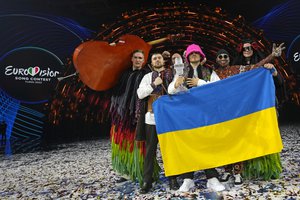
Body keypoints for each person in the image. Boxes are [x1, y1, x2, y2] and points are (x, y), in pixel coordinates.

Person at [213, 40, 285, 182]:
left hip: (253, 108)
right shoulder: (221, 72)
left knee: (254, 137)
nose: (223, 59)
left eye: (225, 56)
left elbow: (259, 69)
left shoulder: (246, 68)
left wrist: (272, 58)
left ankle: (256, 170)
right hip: (233, 111)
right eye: (220, 57)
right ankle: (233, 170)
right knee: (233, 139)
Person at [168, 44, 225, 192]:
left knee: (207, 144)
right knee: (189, 145)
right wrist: (176, 84)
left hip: (205, 114)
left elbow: (218, 89)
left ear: (201, 56)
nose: (194, 55)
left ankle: (212, 178)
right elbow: (170, 91)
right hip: (187, 115)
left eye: (196, 53)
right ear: (187, 57)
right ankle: (188, 179)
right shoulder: (181, 72)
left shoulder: (209, 71)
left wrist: (199, 83)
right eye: (191, 53)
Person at [110, 49, 150, 183]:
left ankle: (141, 171)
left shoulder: (147, 74)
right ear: (131, 59)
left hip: (138, 115)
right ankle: (125, 172)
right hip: (123, 116)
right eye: (136, 57)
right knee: (124, 143)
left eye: (140, 58)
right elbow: (116, 91)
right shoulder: (124, 74)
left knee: (139, 143)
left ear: (144, 61)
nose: (138, 60)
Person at [136, 52, 174, 193]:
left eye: (159, 57)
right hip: (151, 118)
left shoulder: (171, 74)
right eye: (154, 58)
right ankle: (147, 181)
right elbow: (140, 94)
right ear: (151, 63)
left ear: (163, 60)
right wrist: (153, 84)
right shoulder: (147, 77)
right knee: (150, 150)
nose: (157, 60)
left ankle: (173, 178)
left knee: (169, 150)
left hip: (169, 118)